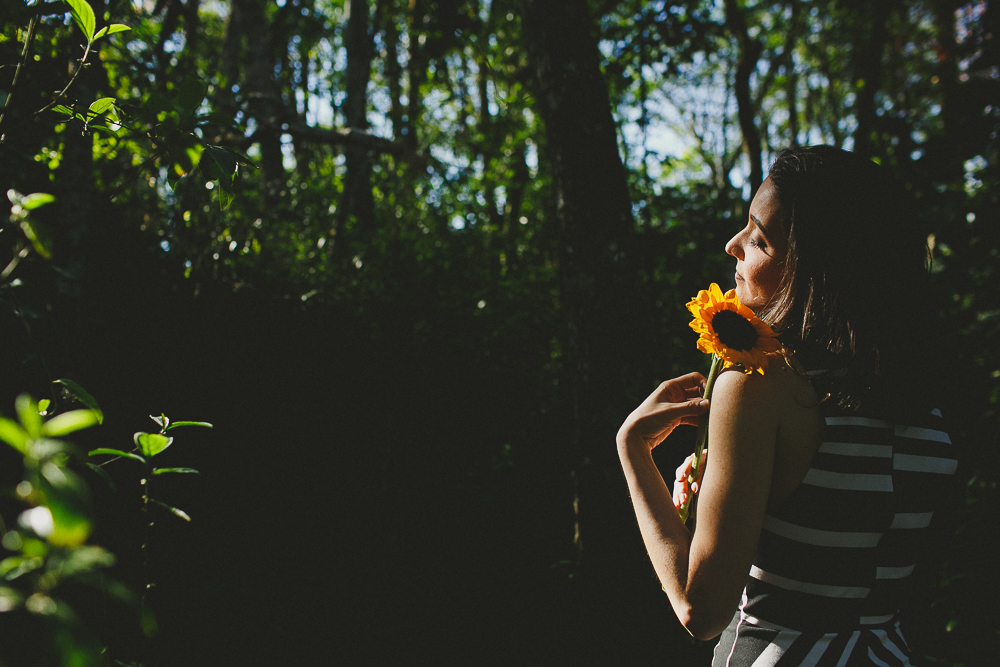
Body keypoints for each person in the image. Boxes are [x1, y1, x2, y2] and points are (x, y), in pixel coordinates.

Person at [616, 146, 956, 665]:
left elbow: (701, 610)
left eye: (758, 238)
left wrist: (634, 450)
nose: (733, 246)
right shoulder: (922, 404)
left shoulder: (761, 381)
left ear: (815, 265)